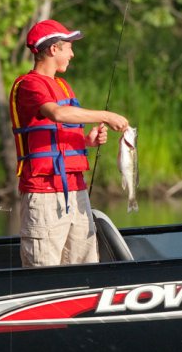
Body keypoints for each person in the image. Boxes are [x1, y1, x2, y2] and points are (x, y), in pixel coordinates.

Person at [9, 19, 130, 267]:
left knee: (85, 265)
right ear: (53, 49)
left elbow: (59, 133)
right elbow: (58, 114)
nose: (72, 54)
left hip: (76, 191)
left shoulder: (63, 86)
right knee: (44, 272)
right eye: (68, 47)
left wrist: (86, 140)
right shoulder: (30, 84)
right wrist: (106, 115)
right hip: (44, 194)